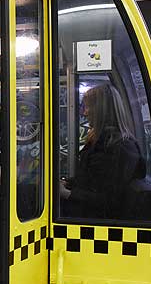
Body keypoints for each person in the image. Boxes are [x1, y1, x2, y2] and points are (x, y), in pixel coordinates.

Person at [59, 84, 146, 219]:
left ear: (101, 111)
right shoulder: (103, 141)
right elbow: (90, 180)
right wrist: (67, 183)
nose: (84, 113)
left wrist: (67, 194)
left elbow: (109, 200)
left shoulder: (121, 148)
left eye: (88, 107)